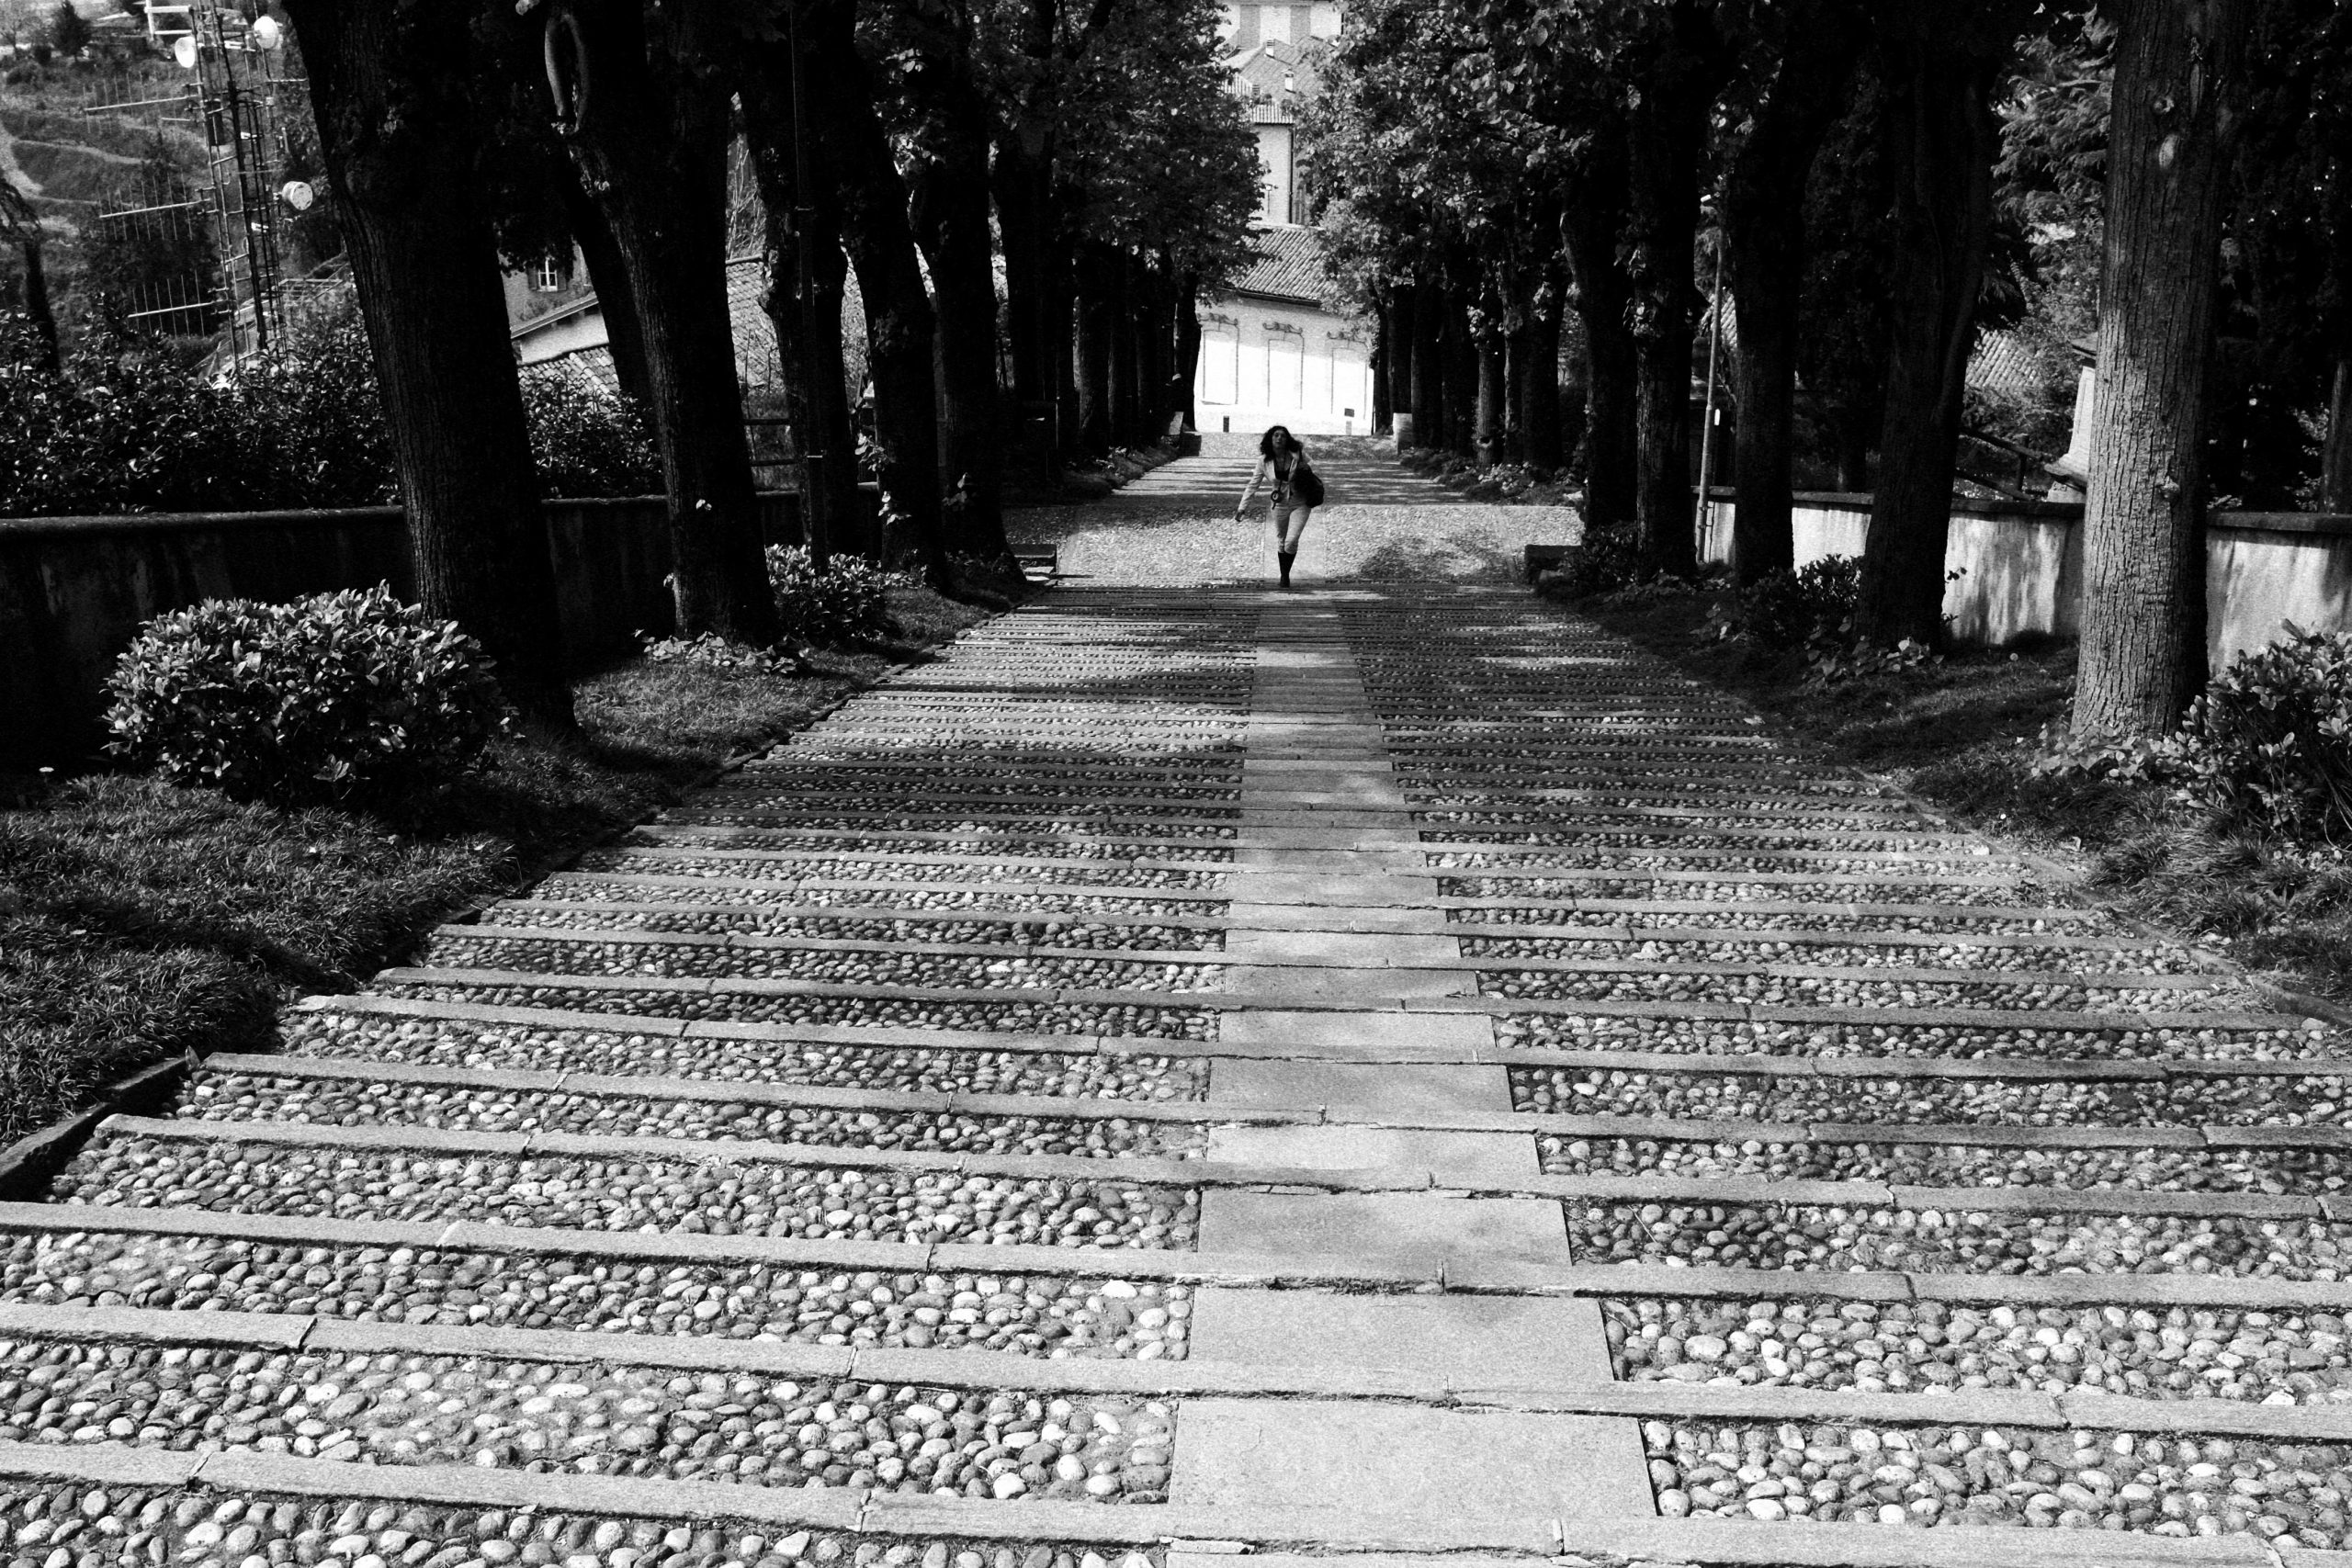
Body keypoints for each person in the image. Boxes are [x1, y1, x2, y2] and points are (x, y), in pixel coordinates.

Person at [1234, 424, 1319, 588]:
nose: (1279, 438)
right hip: (1279, 504)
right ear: (1270, 440)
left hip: (1300, 502)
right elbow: (1253, 485)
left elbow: (1315, 467)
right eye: (1276, 436)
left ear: (1287, 440)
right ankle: (1284, 575)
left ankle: (1285, 574)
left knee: (1291, 540)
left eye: (1283, 436)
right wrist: (1242, 507)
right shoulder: (1263, 461)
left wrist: (1307, 468)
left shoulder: (1297, 454)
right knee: (1281, 540)